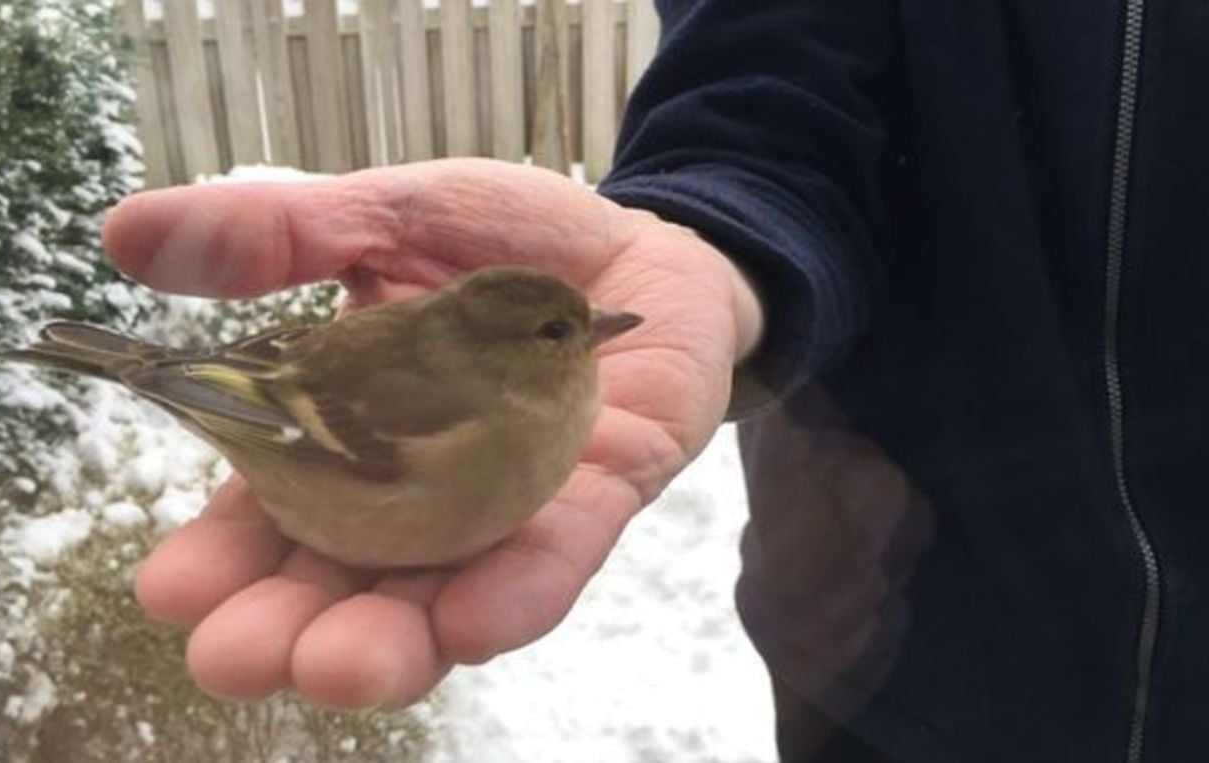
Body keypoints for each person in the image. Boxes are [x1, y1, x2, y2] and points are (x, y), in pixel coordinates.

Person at [104, 1, 1209, 761]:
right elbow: (773, 74)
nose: (600, 329)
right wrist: (718, 221)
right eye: (563, 329)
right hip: (909, 663)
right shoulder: (454, 415)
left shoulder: (516, 403)